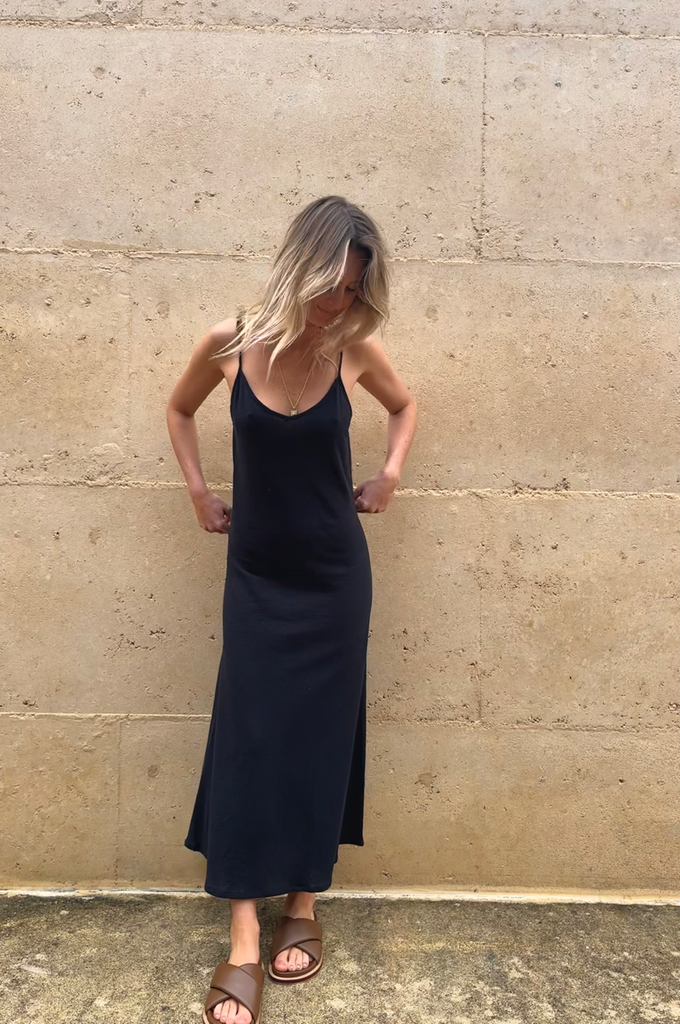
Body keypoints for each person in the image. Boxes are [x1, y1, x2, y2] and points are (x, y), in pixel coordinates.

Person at [166, 195, 417, 1024]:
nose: (337, 304)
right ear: (298, 267)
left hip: (335, 577)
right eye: (328, 285)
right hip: (258, 577)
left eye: (351, 291)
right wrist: (199, 493)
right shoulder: (229, 343)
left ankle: (303, 901)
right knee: (248, 737)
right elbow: (178, 409)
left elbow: (404, 406)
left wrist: (389, 474)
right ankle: (243, 934)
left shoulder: (353, 350)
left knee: (320, 735)